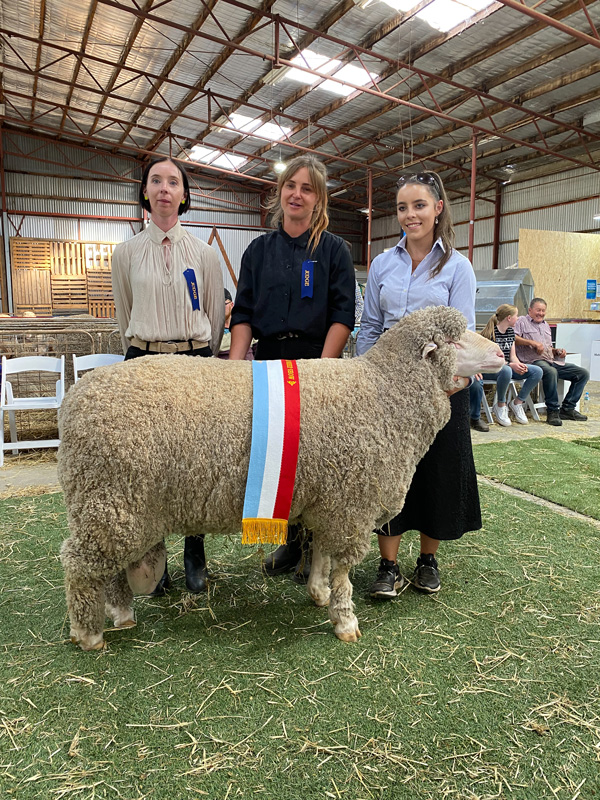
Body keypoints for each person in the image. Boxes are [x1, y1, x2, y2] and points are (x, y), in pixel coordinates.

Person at [229, 154, 355, 582]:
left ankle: (315, 549)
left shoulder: (335, 251)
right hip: (267, 364)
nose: (297, 194)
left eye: (307, 188)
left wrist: (322, 372)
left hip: (314, 362)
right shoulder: (259, 250)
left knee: (315, 460)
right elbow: (242, 313)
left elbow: (343, 315)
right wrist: (234, 369)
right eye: (291, 186)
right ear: (279, 193)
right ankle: (288, 543)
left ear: (319, 200)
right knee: (273, 453)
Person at [357, 171, 480, 599]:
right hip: (388, 390)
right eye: (403, 208)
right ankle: (387, 565)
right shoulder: (382, 264)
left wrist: (442, 387)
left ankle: (428, 559)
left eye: (419, 206)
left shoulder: (458, 267)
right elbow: (370, 327)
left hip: (440, 389)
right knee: (386, 473)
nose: (410, 216)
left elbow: (460, 334)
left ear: (438, 208)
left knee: (438, 471)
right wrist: (365, 378)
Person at [112, 156, 224, 594]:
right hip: (143, 363)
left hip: (193, 362)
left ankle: (195, 553)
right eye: (155, 180)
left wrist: (199, 353)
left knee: (196, 462)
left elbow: (214, 316)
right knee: (147, 465)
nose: (163, 188)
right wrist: (143, 347)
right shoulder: (126, 253)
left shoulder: (204, 253)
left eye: (172, 182)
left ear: (183, 194)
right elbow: (124, 313)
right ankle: (151, 563)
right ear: (145, 191)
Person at [514, 298, 589, 426]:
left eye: (543, 311)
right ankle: (553, 411)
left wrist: (556, 351)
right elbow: (513, 337)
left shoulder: (545, 325)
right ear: (530, 310)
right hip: (532, 362)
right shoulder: (521, 321)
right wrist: (532, 343)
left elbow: (547, 347)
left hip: (550, 360)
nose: (541, 313)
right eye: (538, 310)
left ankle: (568, 409)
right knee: (550, 371)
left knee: (582, 373)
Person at [469, 304, 543, 428]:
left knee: (537, 371)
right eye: (516, 316)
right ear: (509, 318)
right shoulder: (490, 334)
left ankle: (517, 402)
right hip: (491, 368)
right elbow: (491, 360)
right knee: (506, 370)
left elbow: (512, 355)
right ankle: (501, 405)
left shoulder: (510, 332)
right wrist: (511, 365)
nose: (518, 318)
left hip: (508, 366)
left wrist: (519, 365)